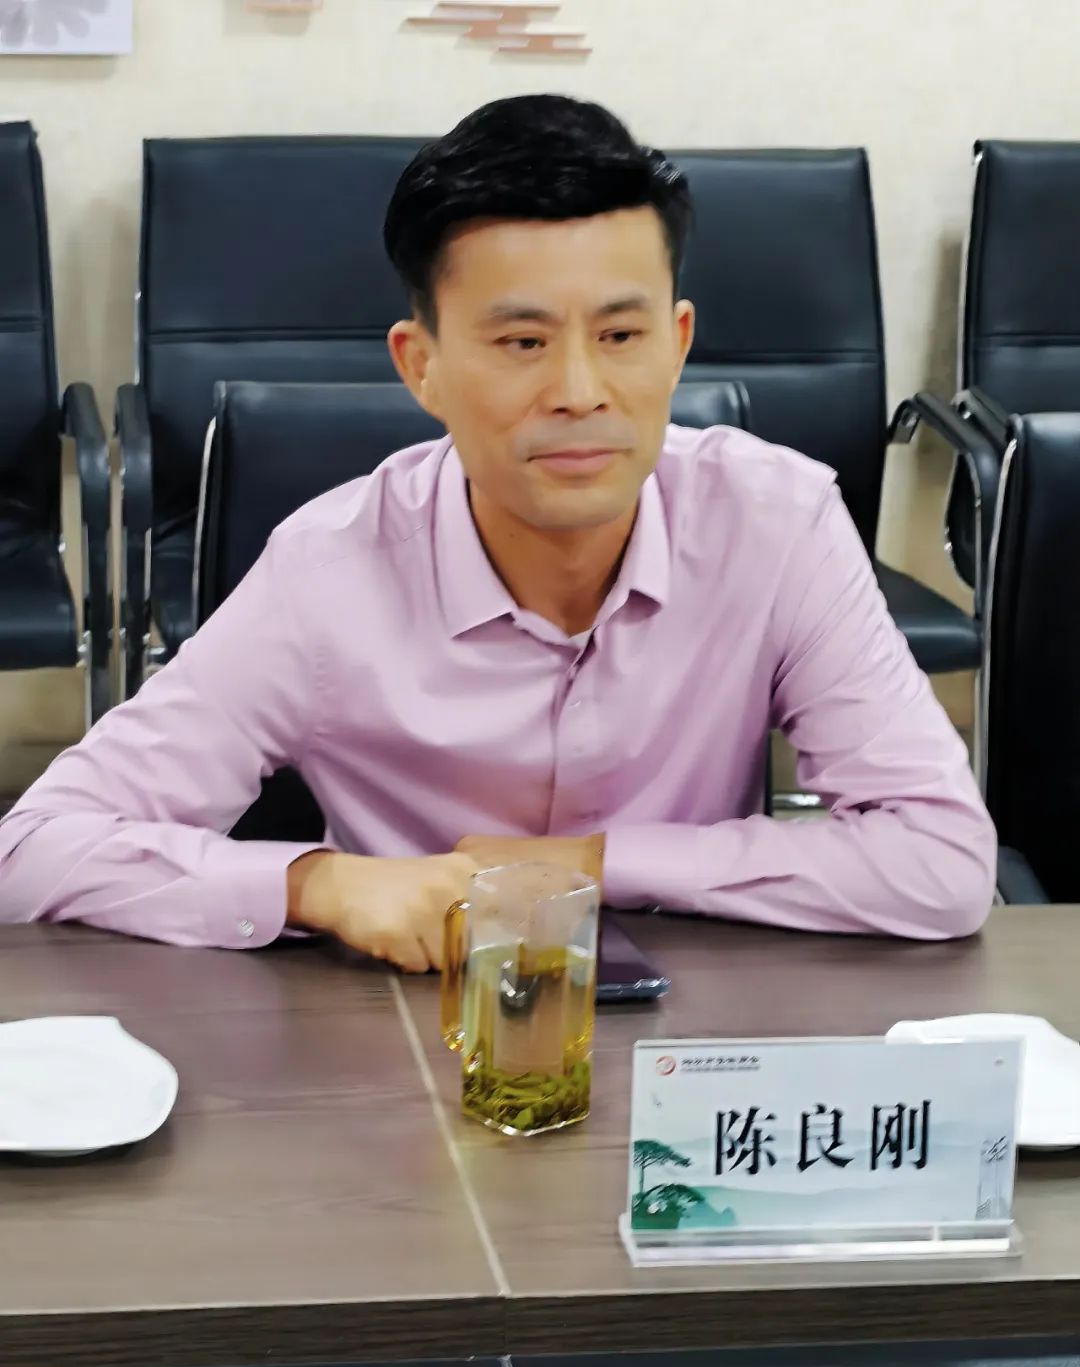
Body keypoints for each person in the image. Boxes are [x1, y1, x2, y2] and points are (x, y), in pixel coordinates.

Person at [0, 95, 995, 966]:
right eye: (522, 341)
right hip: (403, 1036)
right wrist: (314, 883)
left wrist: (591, 863)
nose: (579, 391)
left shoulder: (776, 524)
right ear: (420, 365)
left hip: (697, 1037)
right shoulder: (330, 570)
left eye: (621, 335)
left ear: (678, 342)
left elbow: (943, 862)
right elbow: (37, 847)